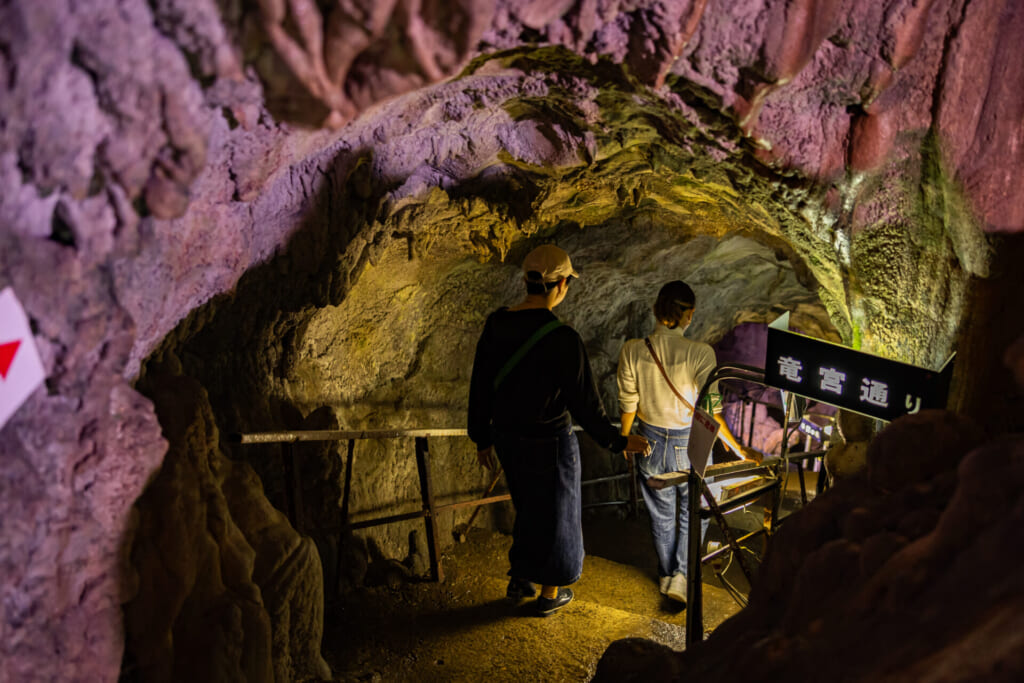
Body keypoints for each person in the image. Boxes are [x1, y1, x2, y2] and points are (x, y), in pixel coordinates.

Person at [468, 244, 650, 616]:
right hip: (549, 443)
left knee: (527, 508)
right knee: (559, 517)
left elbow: (481, 384)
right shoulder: (563, 338)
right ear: (562, 284)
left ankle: (521, 578)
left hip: (507, 438)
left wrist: (481, 437)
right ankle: (550, 595)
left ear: (527, 281)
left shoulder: (497, 324)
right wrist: (617, 441)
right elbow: (587, 406)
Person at [616, 280, 760, 605]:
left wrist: (626, 442)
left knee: (661, 515)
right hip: (689, 440)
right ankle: (680, 576)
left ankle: (668, 574)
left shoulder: (633, 351)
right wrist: (740, 450)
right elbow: (711, 412)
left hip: (649, 440)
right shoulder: (700, 353)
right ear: (690, 315)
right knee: (693, 510)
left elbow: (628, 404)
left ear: (655, 310)